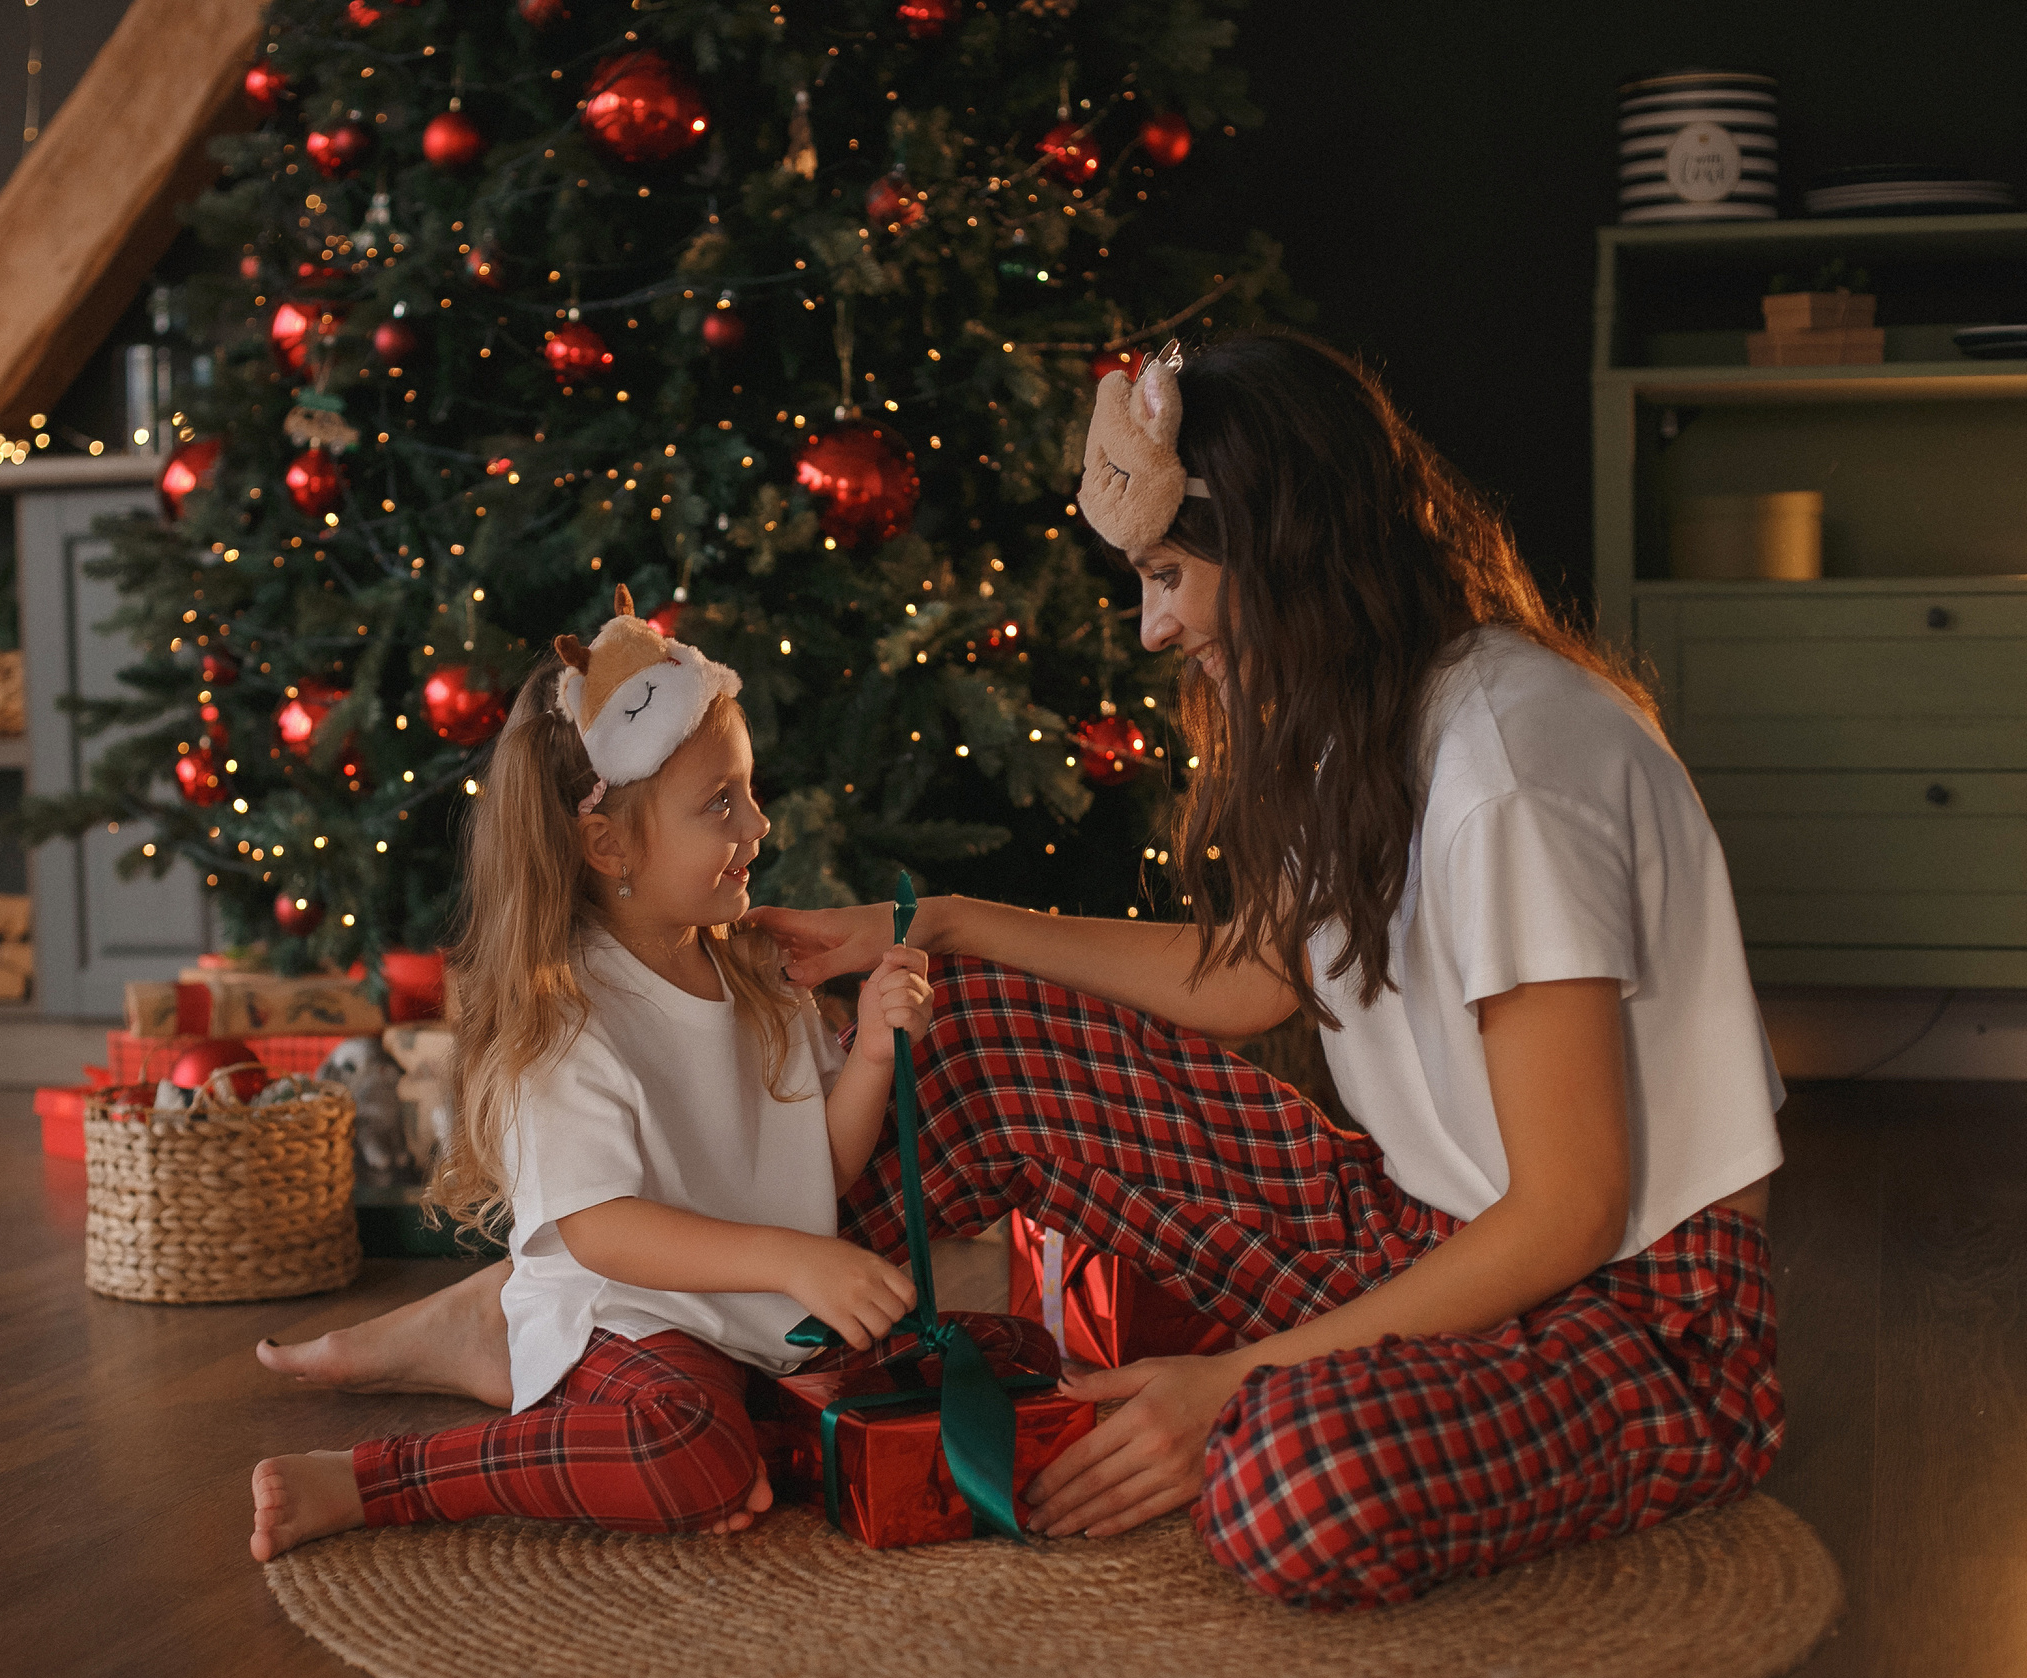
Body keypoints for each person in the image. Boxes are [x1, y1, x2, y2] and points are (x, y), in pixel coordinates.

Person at [266, 331, 1785, 1609]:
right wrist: (936, 923)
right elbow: (1256, 978)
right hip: (1424, 1234)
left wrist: (1236, 1384)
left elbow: (1568, 1212)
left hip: (1627, 1313)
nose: (1155, 623)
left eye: (1172, 573)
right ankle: (597, 1315)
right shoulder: (1376, 717)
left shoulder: (1507, 765)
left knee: (1289, 1488)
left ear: (1286, 548)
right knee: (968, 1034)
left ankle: (605, 1337)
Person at [249, 592, 1048, 1562]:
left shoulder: (756, 975)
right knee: (686, 1449)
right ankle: (379, 1479)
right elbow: (602, 1231)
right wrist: (795, 1262)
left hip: (758, 1328)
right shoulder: (567, 1014)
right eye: (720, 804)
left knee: (1013, 1356)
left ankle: (756, 1446)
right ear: (609, 845)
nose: (757, 822)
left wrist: (873, 1050)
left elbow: (821, 1170)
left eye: (748, 791)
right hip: (626, 1324)